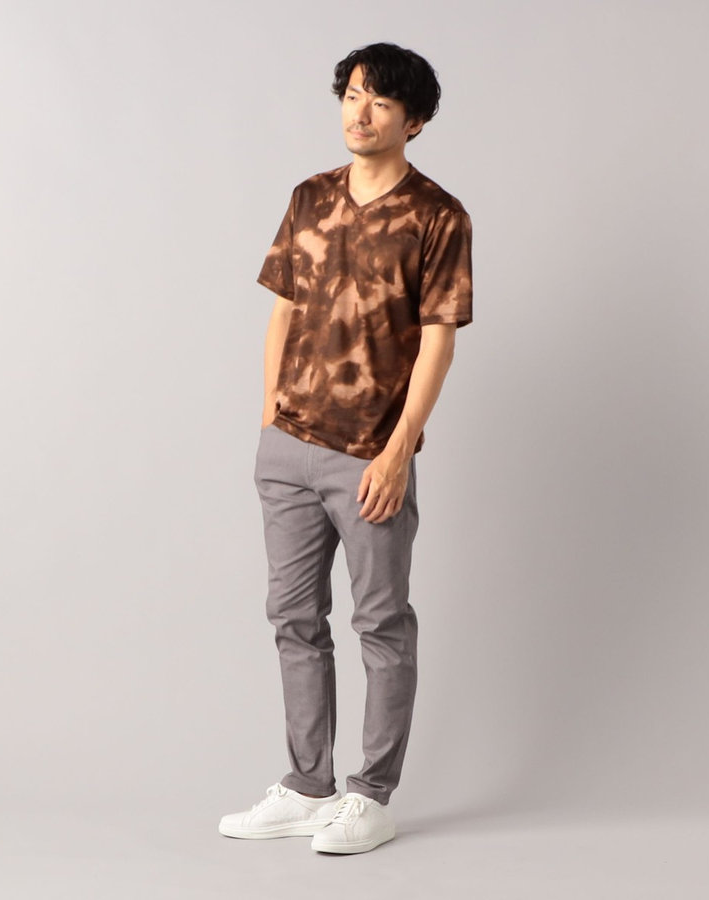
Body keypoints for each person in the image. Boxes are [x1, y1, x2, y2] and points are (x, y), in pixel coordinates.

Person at [219, 41, 473, 855]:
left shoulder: (438, 215)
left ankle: (372, 797)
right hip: (288, 450)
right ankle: (307, 786)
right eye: (353, 96)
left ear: (414, 121)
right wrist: (270, 414)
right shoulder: (309, 197)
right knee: (294, 619)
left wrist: (398, 452)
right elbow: (284, 309)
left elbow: (438, 340)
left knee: (381, 623)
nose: (360, 114)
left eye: (381, 103)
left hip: (370, 455)